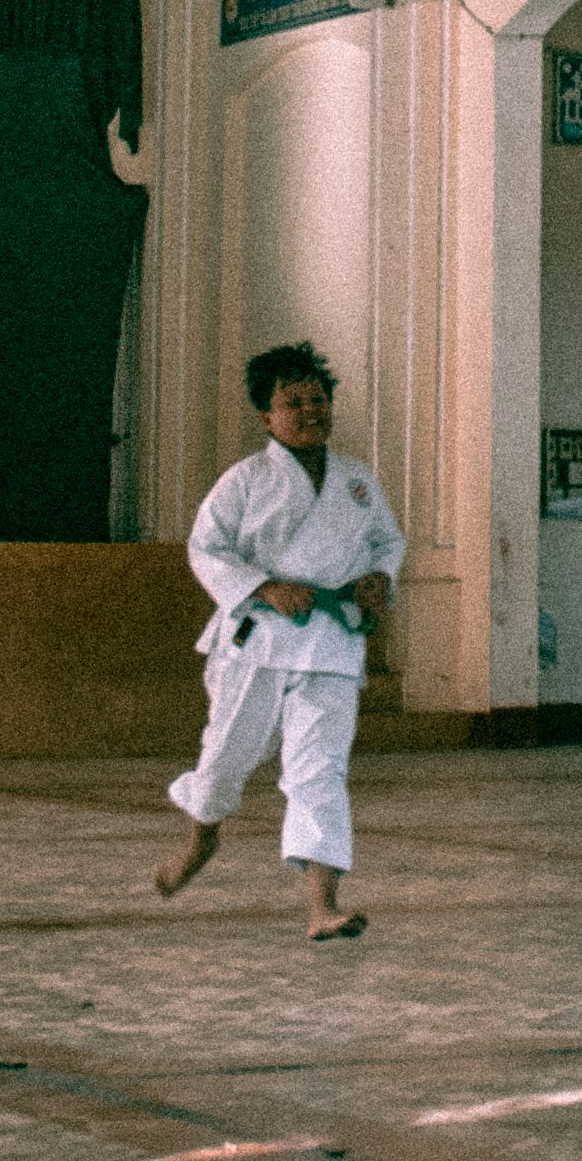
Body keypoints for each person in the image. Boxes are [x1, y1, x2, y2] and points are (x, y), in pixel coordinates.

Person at [156, 343, 401, 940]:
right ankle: (201, 841)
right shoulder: (246, 480)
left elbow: (386, 544)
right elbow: (205, 549)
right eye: (293, 402)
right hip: (258, 641)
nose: (310, 410)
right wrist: (263, 587)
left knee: (319, 771)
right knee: (223, 760)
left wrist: (378, 579)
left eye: (318, 399)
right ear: (267, 418)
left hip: (331, 642)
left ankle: (323, 904)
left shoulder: (357, 484)